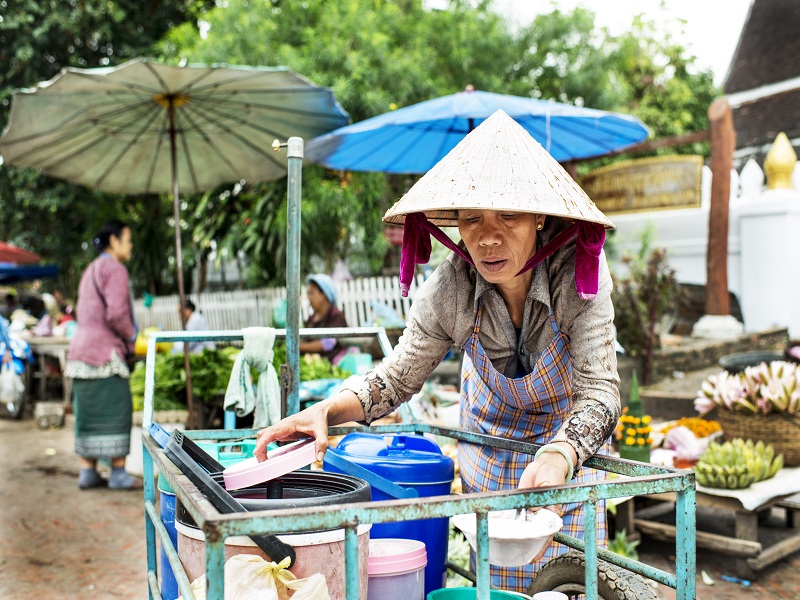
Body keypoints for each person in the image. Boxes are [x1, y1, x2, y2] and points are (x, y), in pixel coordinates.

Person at [254, 111, 620, 593]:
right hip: (491, 452)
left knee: (576, 584)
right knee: (499, 589)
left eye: (508, 215)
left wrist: (559, 455)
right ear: (457, 227)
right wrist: (327, 409)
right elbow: (394, 380)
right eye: (472, 218)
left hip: (568, 450)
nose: (488, 236)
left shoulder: (580, 275)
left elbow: (601, 390)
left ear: (539, 217)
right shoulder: (449, 290)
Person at [65, 220, 141, 490]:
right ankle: (118, 472)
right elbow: (118, 314)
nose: (130, 246)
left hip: (79, 354)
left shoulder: (90, 269)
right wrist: (133, 335)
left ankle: (88, 471)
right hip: (105, 355)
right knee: (118, 409)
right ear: (113, 240)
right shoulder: (115, 269)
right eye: (127, 240)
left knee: (88, 412)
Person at [298, 274, 348, 364]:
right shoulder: (312, 318)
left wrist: (298, 347)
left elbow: (328, 343)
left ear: (324, 295)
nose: (308, 298)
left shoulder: (336, 316)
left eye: (311, 293)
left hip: (333, 366)